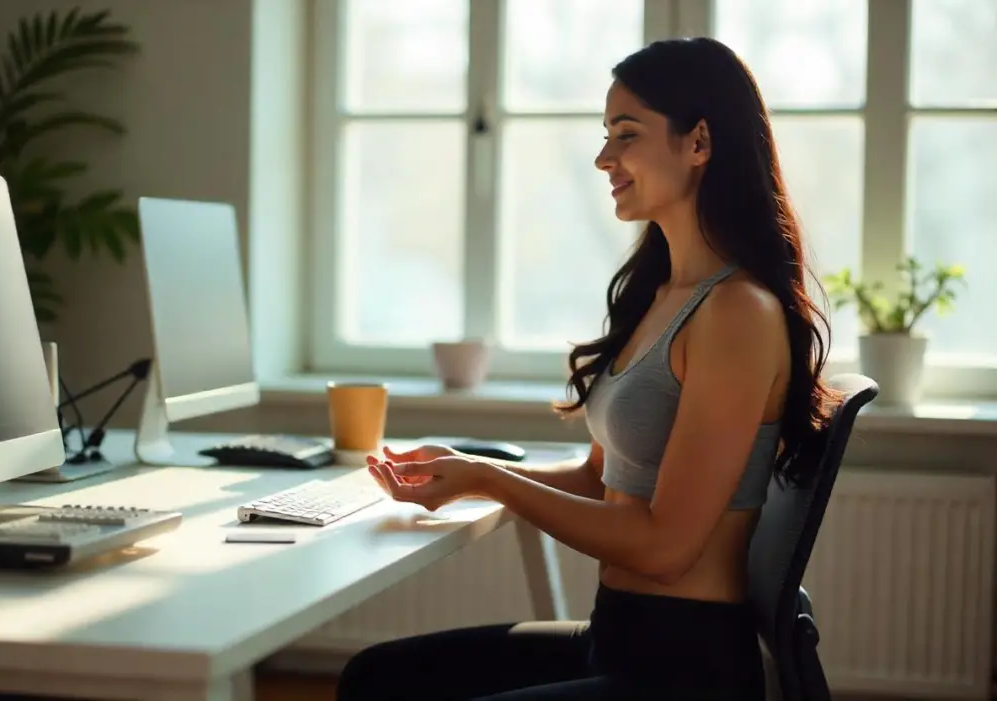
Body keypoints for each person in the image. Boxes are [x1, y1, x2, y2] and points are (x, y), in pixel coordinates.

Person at [335, 36, 838, 701]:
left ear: (699, 142)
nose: (605, 158)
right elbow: (600, 480)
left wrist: (492, 478)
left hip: (686, 670)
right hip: (615, 633)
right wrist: (467, 471)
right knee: (374, 678)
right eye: (606, 135)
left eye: (625, 135)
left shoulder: (737, 313)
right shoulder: (661, 295)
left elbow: (664, 547)